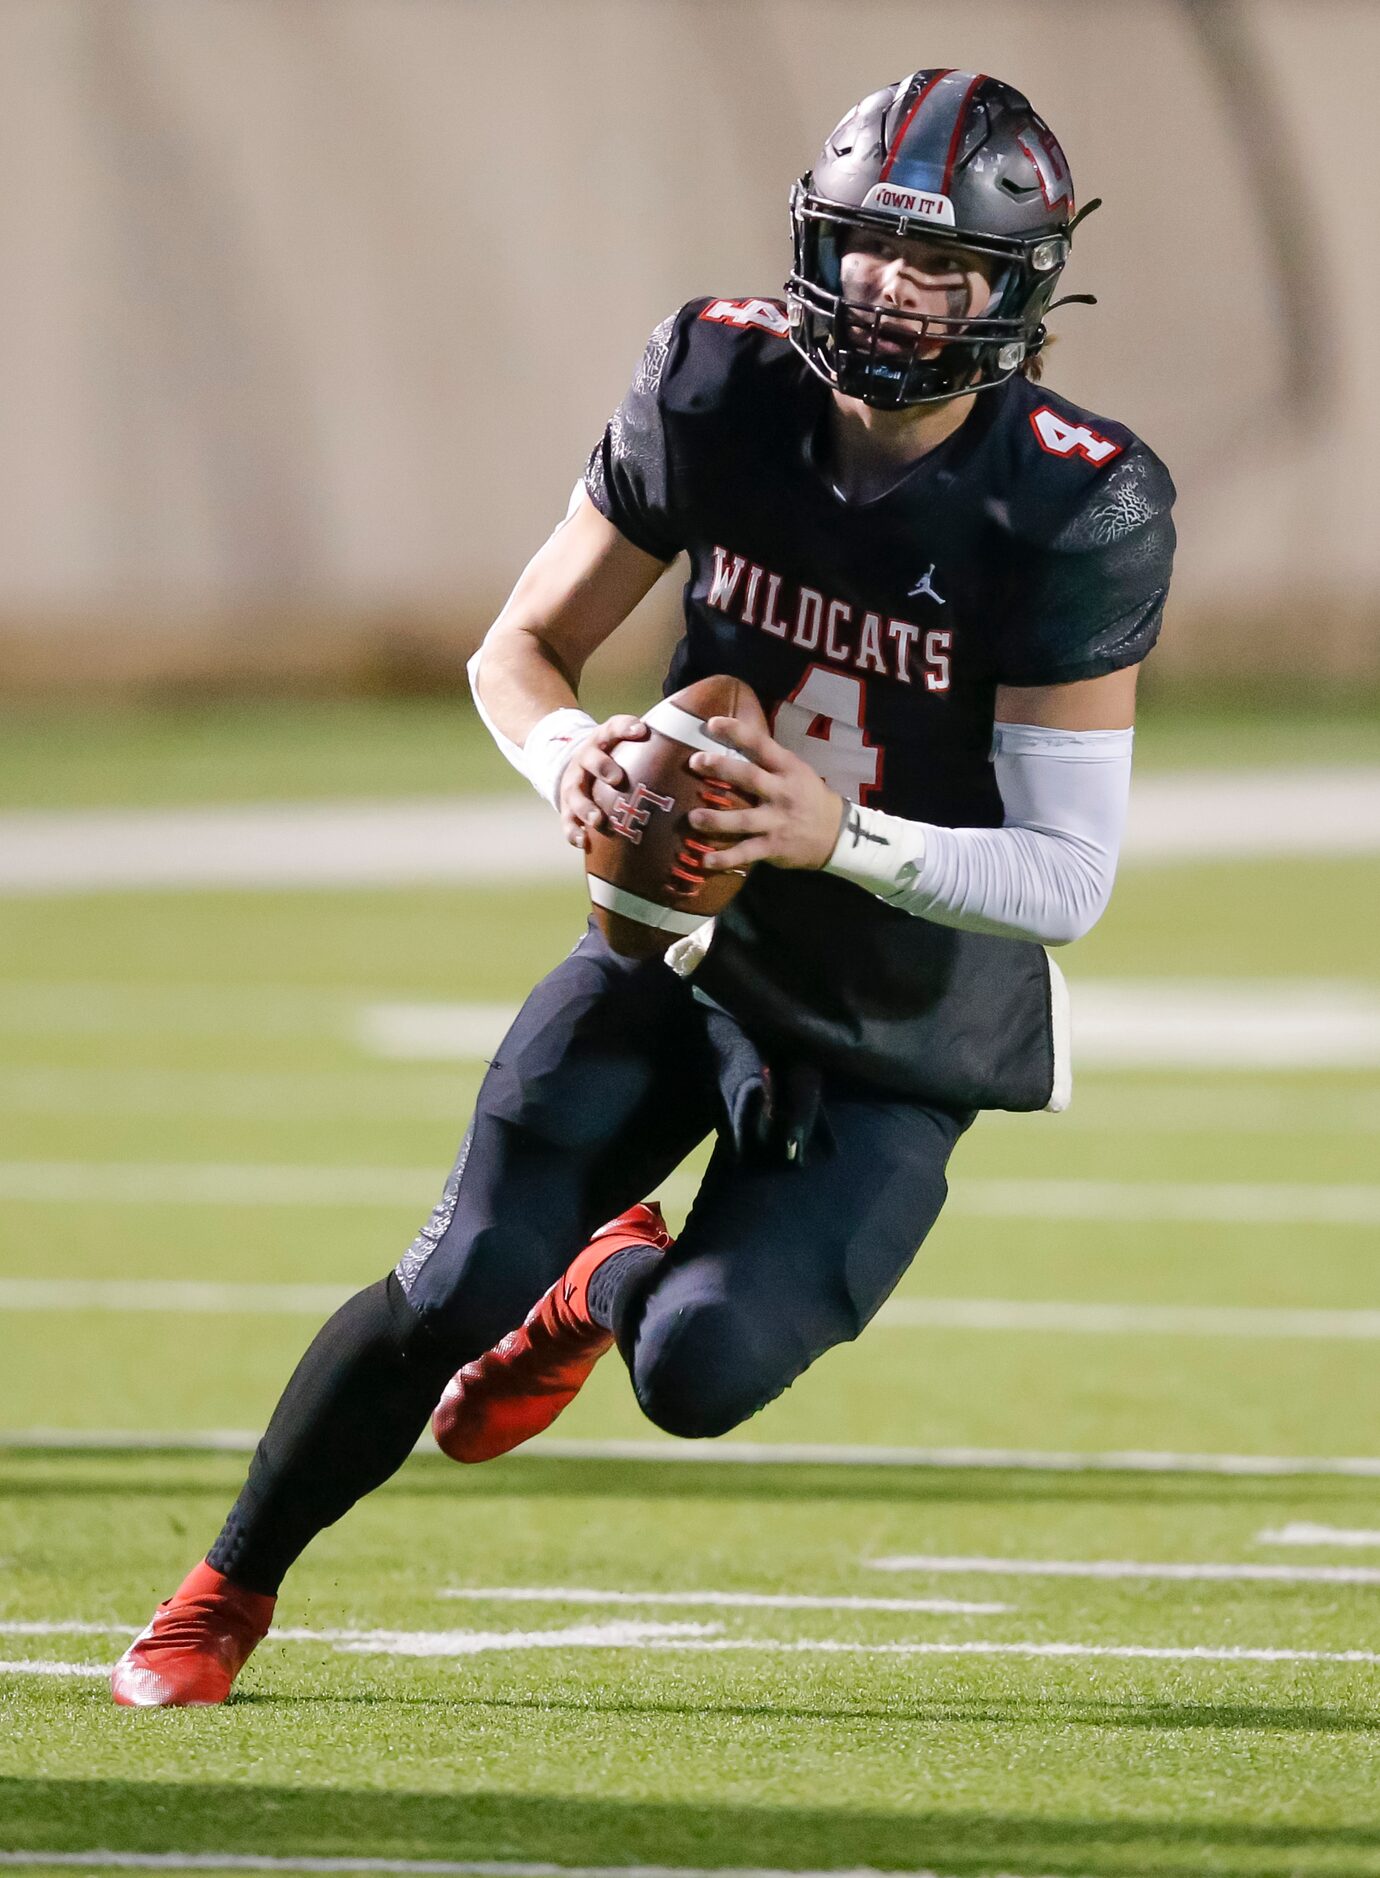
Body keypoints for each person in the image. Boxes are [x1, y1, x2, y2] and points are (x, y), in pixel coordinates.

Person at [112, 68, 1175, 1707]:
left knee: (696, 1371)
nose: (898, 293)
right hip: (680, 935)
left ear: (1015, 290)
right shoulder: (720, 376)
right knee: (453, 1274)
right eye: (874, 252)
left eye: (942, 265)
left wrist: (838, 836)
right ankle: (220, 1591)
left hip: (899, 1010)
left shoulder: (1076, 498)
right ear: (819, 246)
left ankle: (608, 1279)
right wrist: (575, 765)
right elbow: (518, 649)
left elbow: (1069, 877)